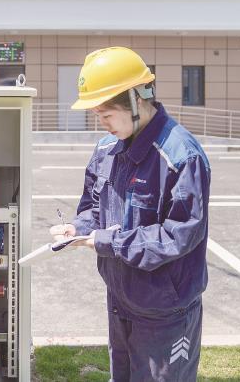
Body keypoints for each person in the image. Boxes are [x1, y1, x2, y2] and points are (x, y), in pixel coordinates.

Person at [50, 47, 211, 381]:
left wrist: (106, 241)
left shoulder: (181, 157)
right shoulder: (106, 149)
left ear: (136, 100)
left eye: (106, 115)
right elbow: (92, 208)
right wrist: (77, 229)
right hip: (119, 300)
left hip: (166, 313)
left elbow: (175, 238)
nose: (101, 124)